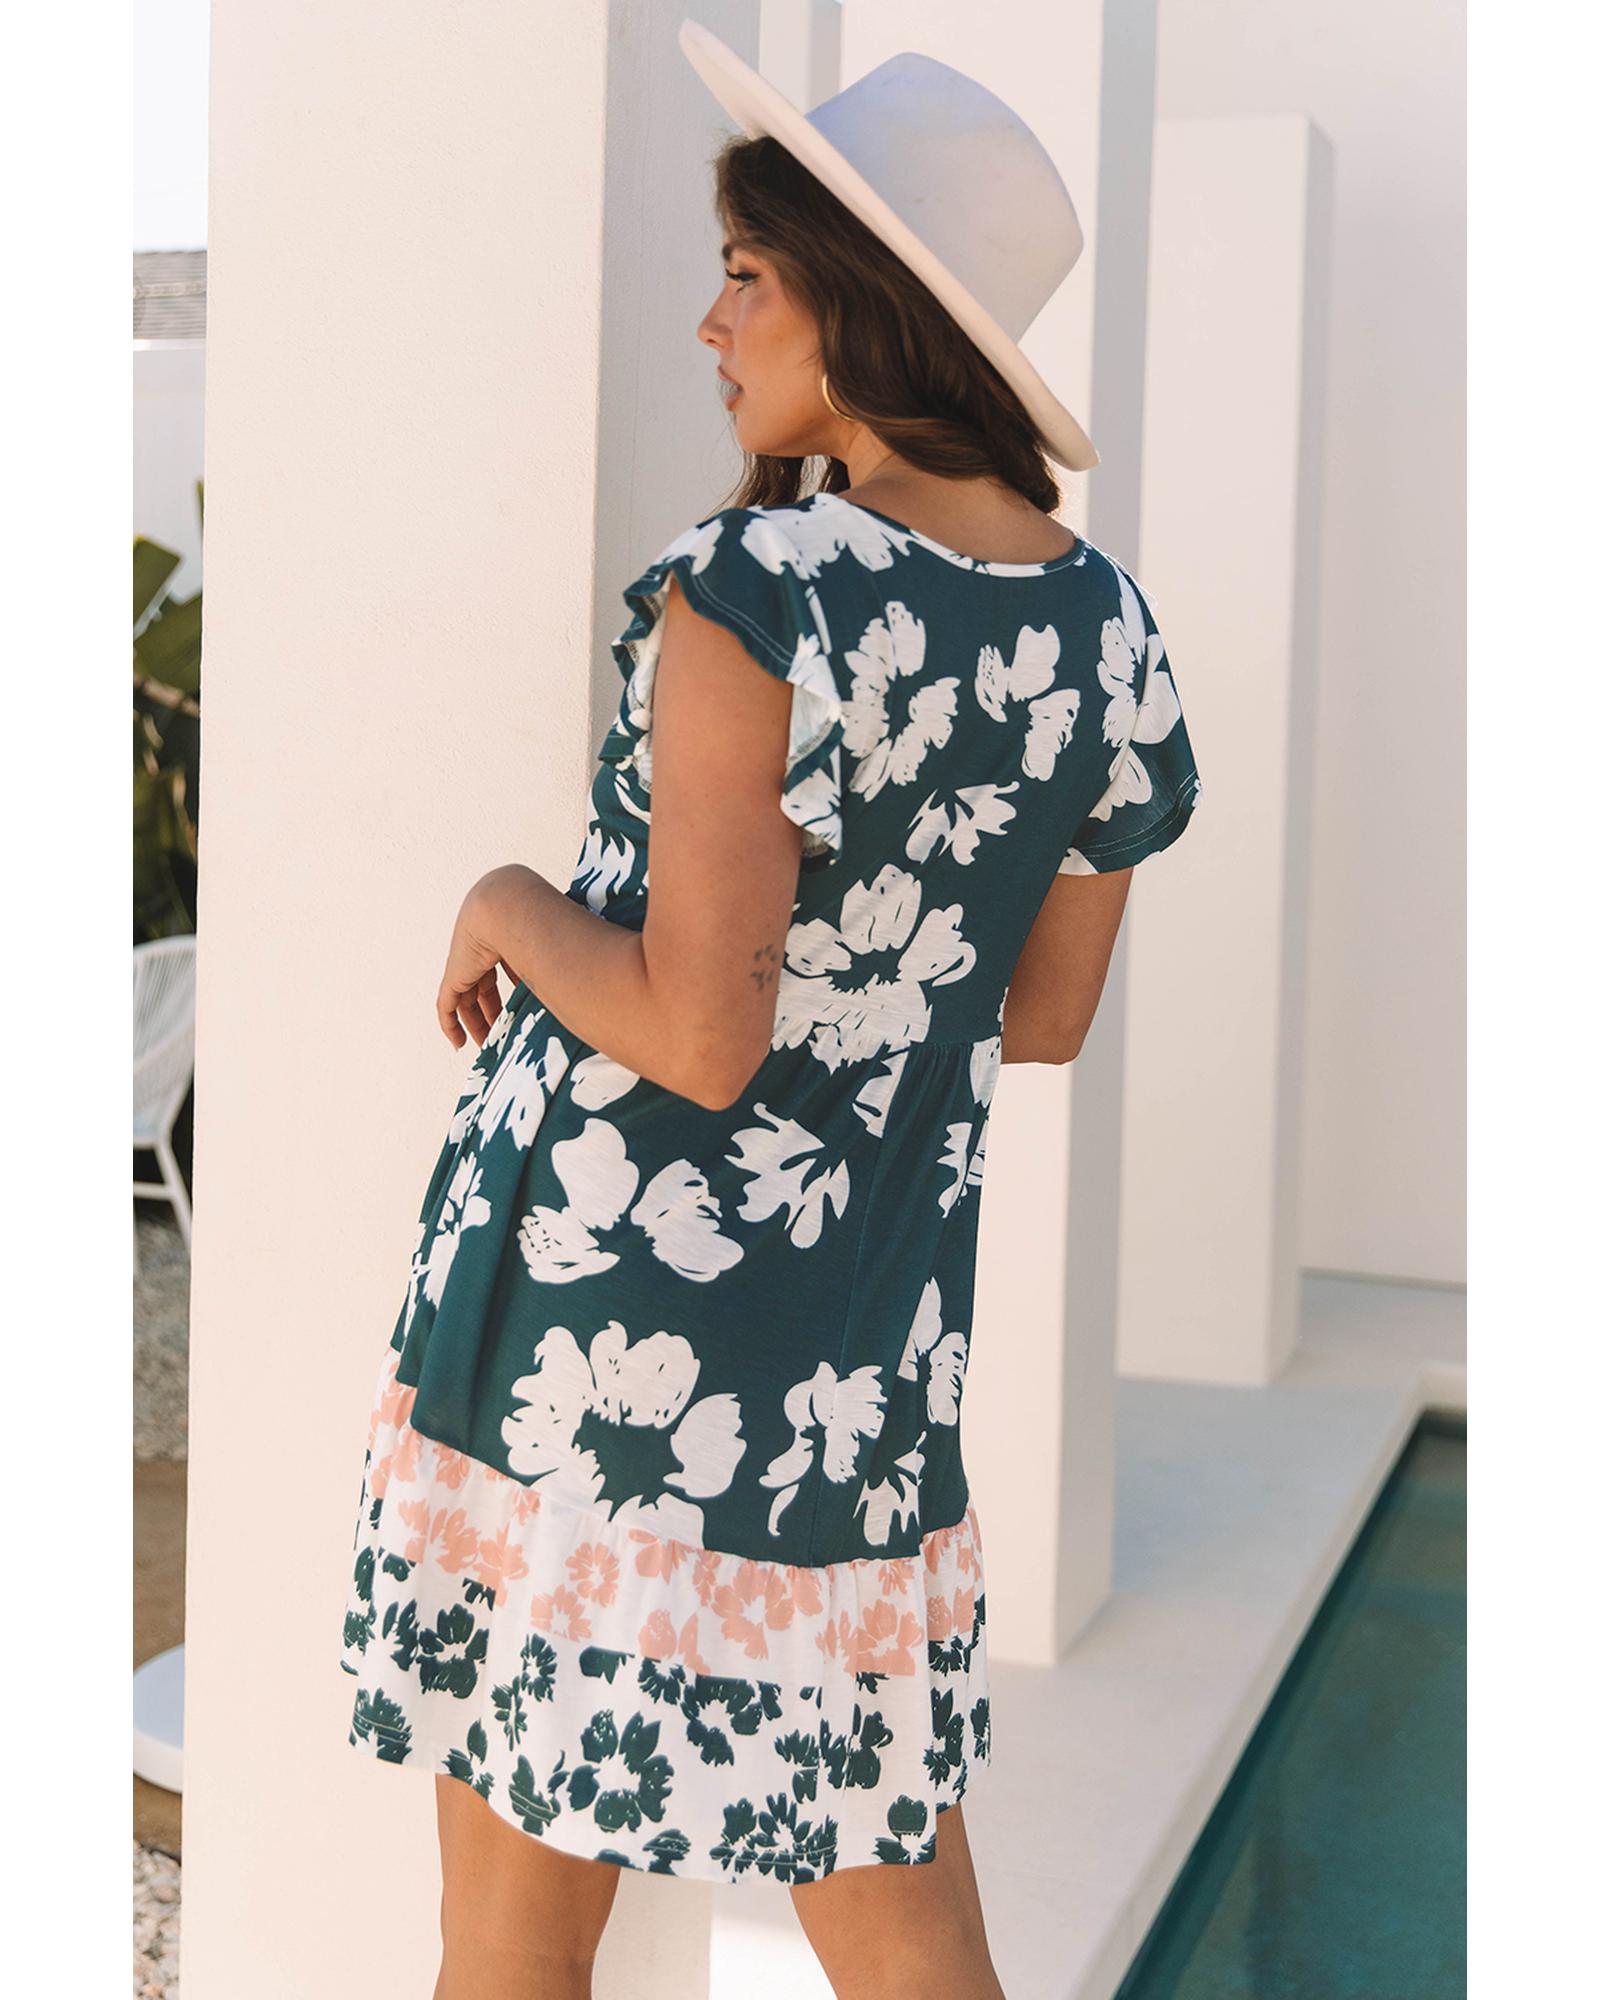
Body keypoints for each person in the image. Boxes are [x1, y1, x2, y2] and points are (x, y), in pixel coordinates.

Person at [338, 23, 1203, 2000]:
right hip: (852, 1366)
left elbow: (697, 1032)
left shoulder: (756, 589)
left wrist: (502, 901)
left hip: (596, 1344)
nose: (711, 321)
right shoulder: (1105, 634)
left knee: (510, 1940)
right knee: (906, 1932)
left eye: (747, 274)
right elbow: (1041, 1016)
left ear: (868, 305)